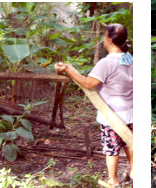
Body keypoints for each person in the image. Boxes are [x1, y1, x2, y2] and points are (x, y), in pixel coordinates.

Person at [55, 23, 133, 187]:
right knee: (129, 142)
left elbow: (89, 83)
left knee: (112, 149)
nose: (103, 39)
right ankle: (134, 171)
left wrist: (68, 70)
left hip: (111, 116)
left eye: (104, 36)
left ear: (110, 40)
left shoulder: (106, 63)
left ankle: (113, 180)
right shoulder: (129, 58)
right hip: (130, 111)